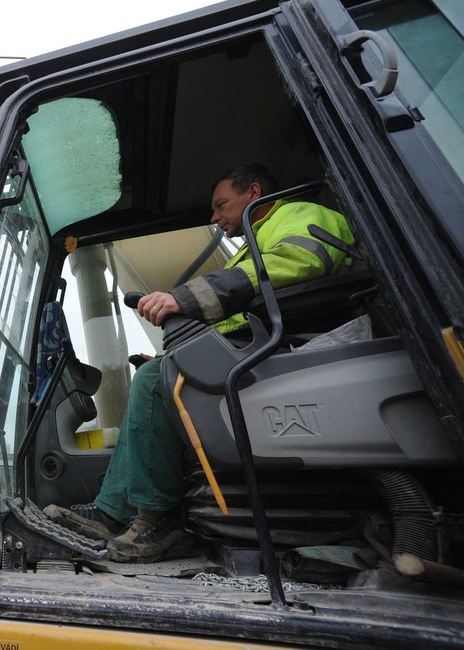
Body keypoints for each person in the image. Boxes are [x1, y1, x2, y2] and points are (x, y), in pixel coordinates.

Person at [46, 163, 355, 563]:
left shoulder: (300, 214)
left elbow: (298, 262)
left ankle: (157, 518)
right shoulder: (256, 241)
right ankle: (114, 512)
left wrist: (187, 298)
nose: (214, 217)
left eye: (221, 205)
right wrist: (174, 351)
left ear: (254, 193)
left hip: (291, 346)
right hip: (257, 344)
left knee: (155, 381)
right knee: (157, 372)